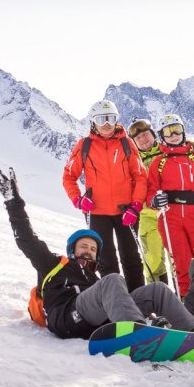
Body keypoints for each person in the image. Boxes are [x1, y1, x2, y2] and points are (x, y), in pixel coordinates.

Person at [0, 169, 194, 340]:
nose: (89, 251)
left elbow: (110, 299)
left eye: (93, 249)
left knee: (157, 290)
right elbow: (26, 240)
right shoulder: (54, 264)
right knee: (113, 279)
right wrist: (13, 202)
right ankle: (137, 334)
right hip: (68, 317)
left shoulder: (92, 279)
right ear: (72, 250)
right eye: (84, 246)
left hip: (94, 318)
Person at [61, 100, 147, 291]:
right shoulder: (85, 145)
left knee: (131, 257)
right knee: (106, 260)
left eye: (110, 118)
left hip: (126, 211)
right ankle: (115, 298)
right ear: (93, 122)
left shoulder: (127, 143)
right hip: (97, 212)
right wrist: (78, 199)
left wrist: (136, 206)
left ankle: (140, 299)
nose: (106, 124)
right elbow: (68, 176)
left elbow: (140, 177)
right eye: (101, 119)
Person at [146, 114, 194, 297]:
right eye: (168, 131)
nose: (173, 135)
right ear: (161, 136)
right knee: (182, 264)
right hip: (170, 217)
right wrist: (154, 201)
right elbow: (151, 191)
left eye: (177, 130)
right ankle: (188, 305)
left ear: (183, 131)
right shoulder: (159, 162)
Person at [127, 118, 168, 285]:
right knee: (153, 261)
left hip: (173, 212)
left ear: (153, 134)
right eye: (138, 138)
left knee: (178, 259)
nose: (143, 140)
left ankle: (185, 300)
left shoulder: (169, 152)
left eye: (145, 135)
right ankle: (159, 299)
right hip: (148, 216)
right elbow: (131, 191)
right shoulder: (133, 163)